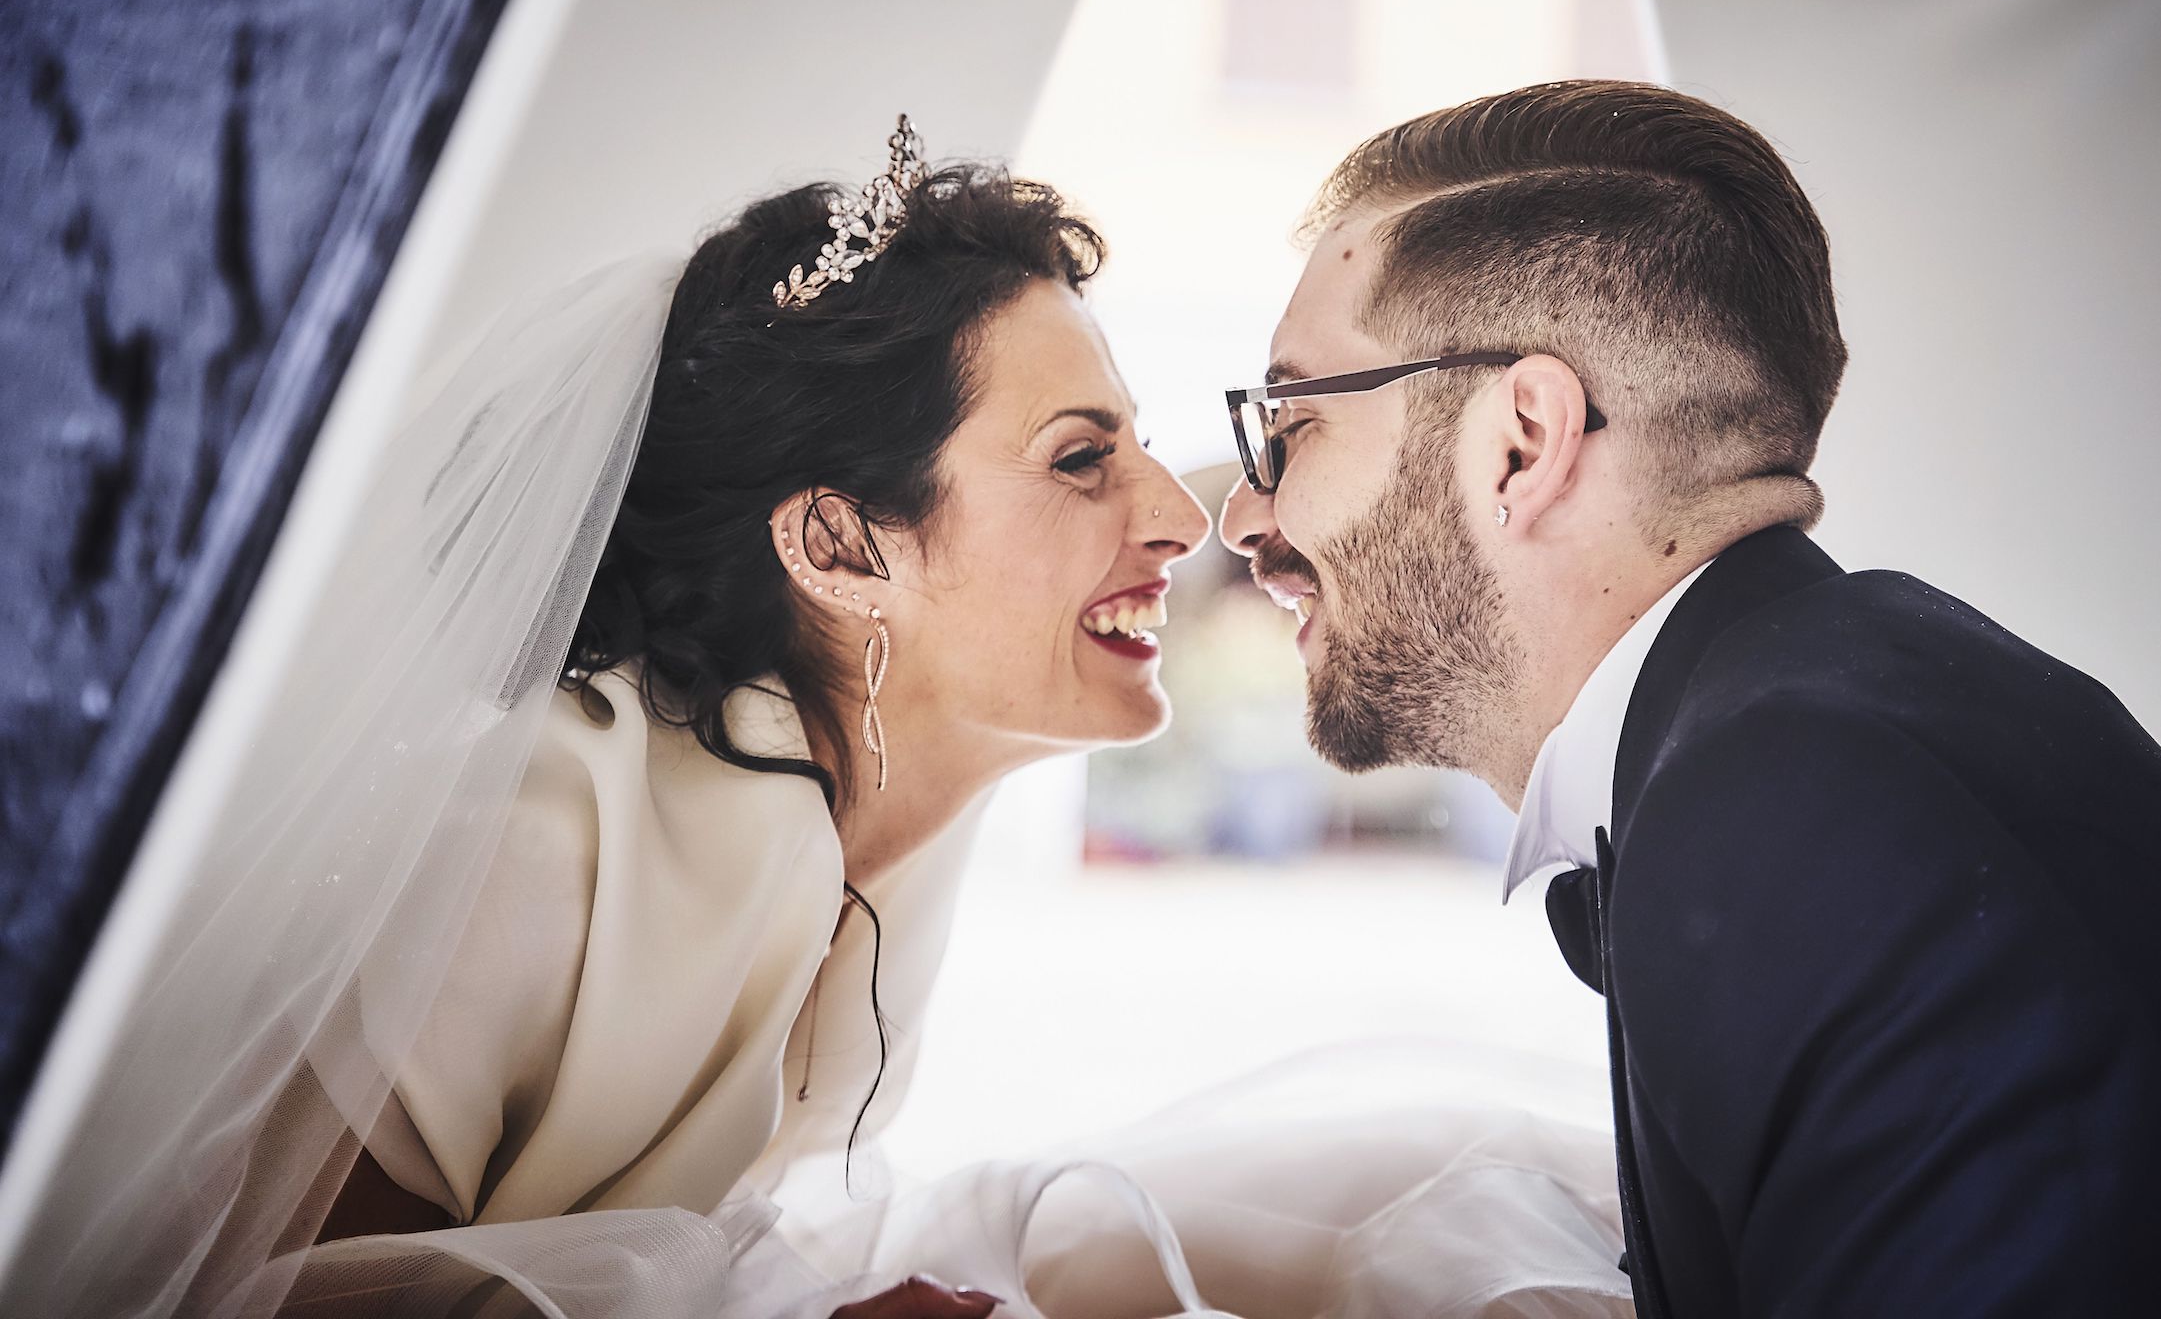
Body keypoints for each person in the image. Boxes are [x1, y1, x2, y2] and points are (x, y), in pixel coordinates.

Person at [19, 118, 1630, 1319]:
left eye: (1140, 446)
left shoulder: (871, 842)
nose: (1179, 516)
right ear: (840, 545)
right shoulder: (524, 851)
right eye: (1083, 459)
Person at [1217, 79, 2161, 1317]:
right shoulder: (1835, 708)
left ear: (1522, 442)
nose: (1244, 515)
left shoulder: (1794, 800)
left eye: (1290, 424)